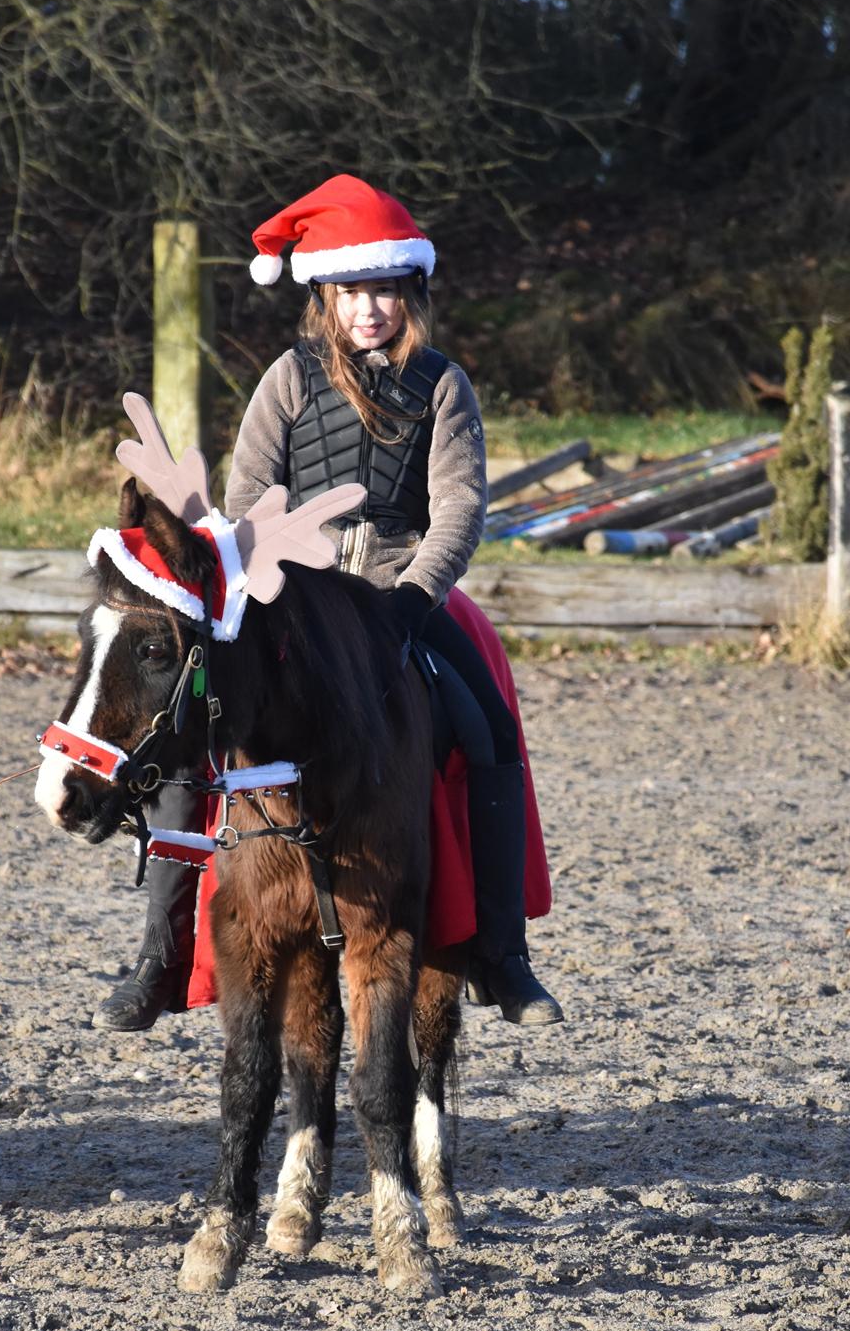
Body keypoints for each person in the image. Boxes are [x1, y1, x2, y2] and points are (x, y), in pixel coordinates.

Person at [94, 174, 561, 1033]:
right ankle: (157, 960)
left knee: (485, 726)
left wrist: (418, 595)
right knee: (195, 729)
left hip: (399, 591)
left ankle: (501, 955)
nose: (371, 308)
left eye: (386, 290)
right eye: (354, 291)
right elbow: (246, 489)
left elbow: (458, 503)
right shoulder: (287, 378)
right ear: (325, 296)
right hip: (290, 600)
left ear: (409, 293)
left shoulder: (443, 385)